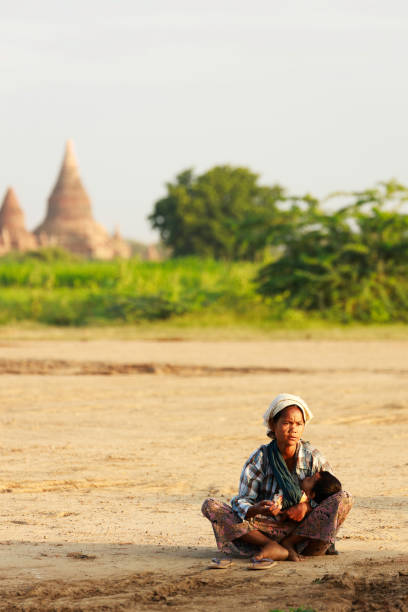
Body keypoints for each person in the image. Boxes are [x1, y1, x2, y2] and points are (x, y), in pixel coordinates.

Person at [202, 393, 352, 569]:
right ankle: (270, 546)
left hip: (305, 538)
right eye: (287, 423)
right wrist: (255, 509)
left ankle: (288, 545)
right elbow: (241, 501)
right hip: (264, 530)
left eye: (299, 424)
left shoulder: (314, 458)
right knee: (210, 505)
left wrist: (306, 506)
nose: (293, 429)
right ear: (273, 425)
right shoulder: (259, 458)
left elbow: (331, 494)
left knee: (345, 497)